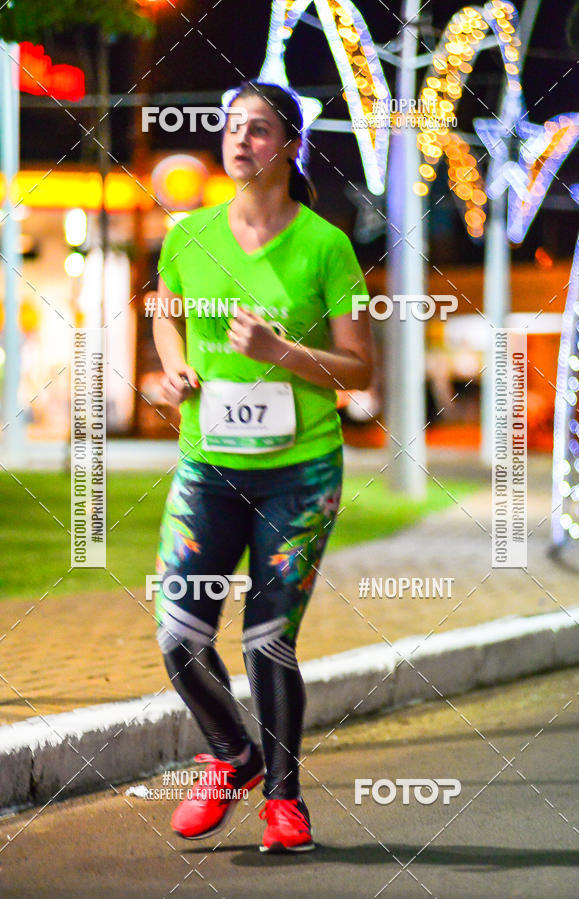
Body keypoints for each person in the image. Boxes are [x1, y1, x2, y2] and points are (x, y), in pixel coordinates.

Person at [152, 79, 373, 853]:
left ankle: (285, 799)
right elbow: (166, 318)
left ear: (288, 146)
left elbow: (359, 370)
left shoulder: (325, 245)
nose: (238, 140)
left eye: (257, 128)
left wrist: (281, 353)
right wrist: (172, 370)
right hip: (207, 467)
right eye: (229, 127)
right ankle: (232, 754)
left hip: (300, 473)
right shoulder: (188, 237)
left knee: (266, 638)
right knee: (179, 631)